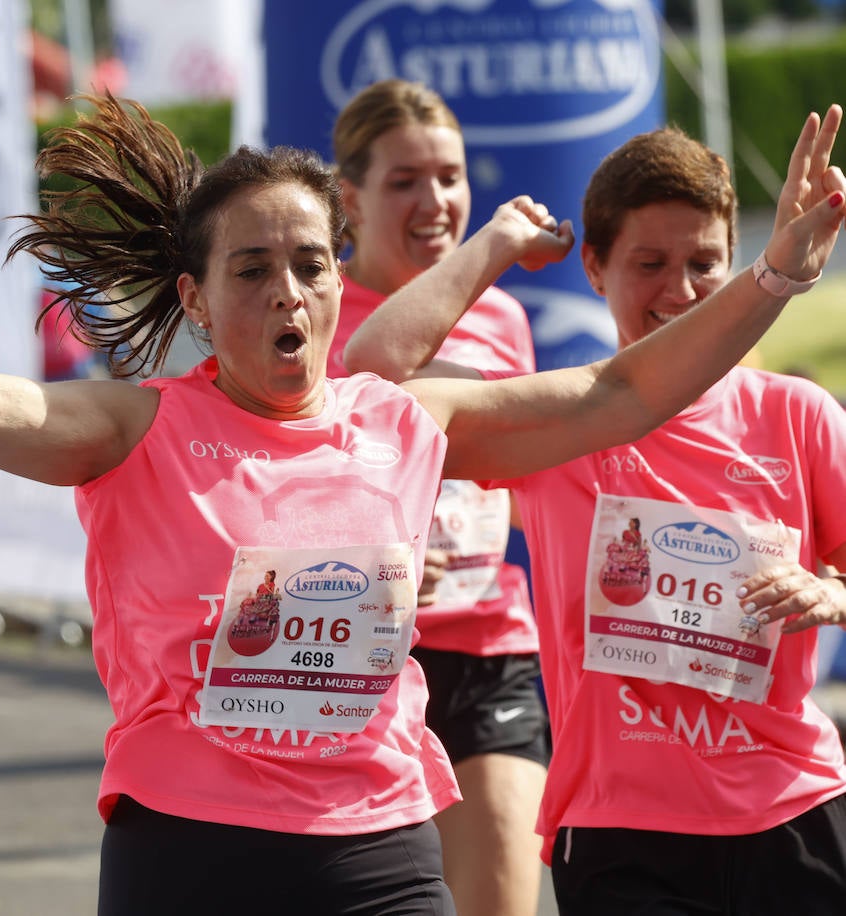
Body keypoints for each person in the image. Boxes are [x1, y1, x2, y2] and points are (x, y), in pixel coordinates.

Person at [0, 94, 843, 915]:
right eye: (253, 271)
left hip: (375, 839)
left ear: (339, 285)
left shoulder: (405, 419)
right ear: (197, 299)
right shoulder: (137, 426)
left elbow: (618, 392)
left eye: (310, 264)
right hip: (192, 839)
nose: (289, 292)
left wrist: (774, 277)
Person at [344, 114, 846, 914]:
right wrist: (499, 240)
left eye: (704, 264)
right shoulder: (564, 421)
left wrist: (831, 595)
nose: (680, 290)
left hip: (792, 810)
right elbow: (374, 371)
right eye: (650, 264)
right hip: (622, 831)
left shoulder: (798, 415)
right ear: (594, 267)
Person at [328, 79, 548, 916]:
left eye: (450, 176)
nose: (436, 201)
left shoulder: (504, 319)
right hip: (363, 657)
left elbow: (520, 481)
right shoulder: (318, 314)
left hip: (493, 646)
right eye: (405, 181)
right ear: (348, 197)